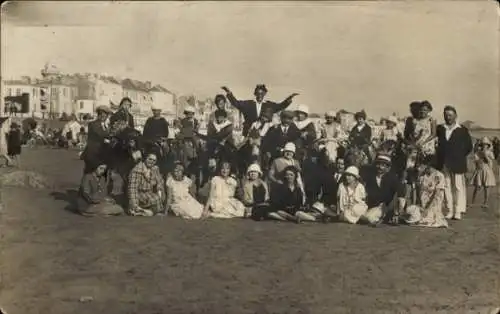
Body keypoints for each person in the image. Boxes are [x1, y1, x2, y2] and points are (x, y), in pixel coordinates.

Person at [435, 105, 473, 220]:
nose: (448, 117)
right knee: (446, 185)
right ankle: (450, 210)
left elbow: (468, 146)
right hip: (444, 162)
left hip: (458, 162)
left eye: (450, 115)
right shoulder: (440, 129)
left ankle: (458, 210)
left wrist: (459, 156)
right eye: (446, 115)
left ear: (455, 116)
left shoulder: (462, 129)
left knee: (458, 186)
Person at [221, 84, 299, 136]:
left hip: (265, 133)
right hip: (249, 132)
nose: (260, 95)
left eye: (262, 94)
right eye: (258, 93)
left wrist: (289, 99)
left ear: (265, 94)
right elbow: (236, 103)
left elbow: (281, 106)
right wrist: (228, 93)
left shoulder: (269, 105)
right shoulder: (248, 104)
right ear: (255, 94)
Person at [403, 155, 448, 228]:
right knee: (411, 211)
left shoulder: (439, 176)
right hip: (422, 203)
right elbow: (418, 192)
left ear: (429, 166)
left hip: (433, 204)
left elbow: (437, 194)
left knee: (427, 217)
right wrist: (419, 205)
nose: (421, 168)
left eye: (424, 166)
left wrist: (427, 208)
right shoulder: (422, 176)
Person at [361, 154, 403, 225]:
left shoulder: (392, 179)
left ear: (388, 167)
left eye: (383, 165)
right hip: (372, 206)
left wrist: (396, 212)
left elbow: (400, 196)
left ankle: (386, 218)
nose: (380, 167)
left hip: (386, 207)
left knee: (369, 217)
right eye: (378, 164)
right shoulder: (370, 177)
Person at [127, 152, 165, 216]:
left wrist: (159, 185)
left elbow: (160, 181)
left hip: (150, 194)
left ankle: (148, 211)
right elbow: (132, 189)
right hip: (138, 195)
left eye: (154, 160)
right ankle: (139, 210)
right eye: (150, 159)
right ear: (145, 159)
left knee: (157, 199)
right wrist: (135, 205)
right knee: (139, 208)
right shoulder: (137, 170)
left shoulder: (155, 169)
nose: (151, 162)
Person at [81, 105, 112, 174]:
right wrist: (107, 140)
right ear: (98, 115)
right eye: (101, 114)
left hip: (101, 152)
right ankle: (85, 184)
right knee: (89, 171)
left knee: (101, 172)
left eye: (105, 115)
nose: (103, 117)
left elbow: (108, 135)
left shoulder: (106, 125)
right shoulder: (93, 124)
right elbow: (99, 135)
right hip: (93, 152)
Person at [470, 137, 496, 208]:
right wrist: (478, 159)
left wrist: (485, 155)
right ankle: (473, 202)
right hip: (480, 170)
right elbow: (476, 161)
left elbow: (490, 162)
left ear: (488, 145)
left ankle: (485, 202)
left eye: (486, 145)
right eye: (483, 144)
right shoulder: (478, 152)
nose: (484, 146)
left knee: (486, 187)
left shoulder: (490, 153)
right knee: (477, 186)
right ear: (481, 145)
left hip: (487, 170)